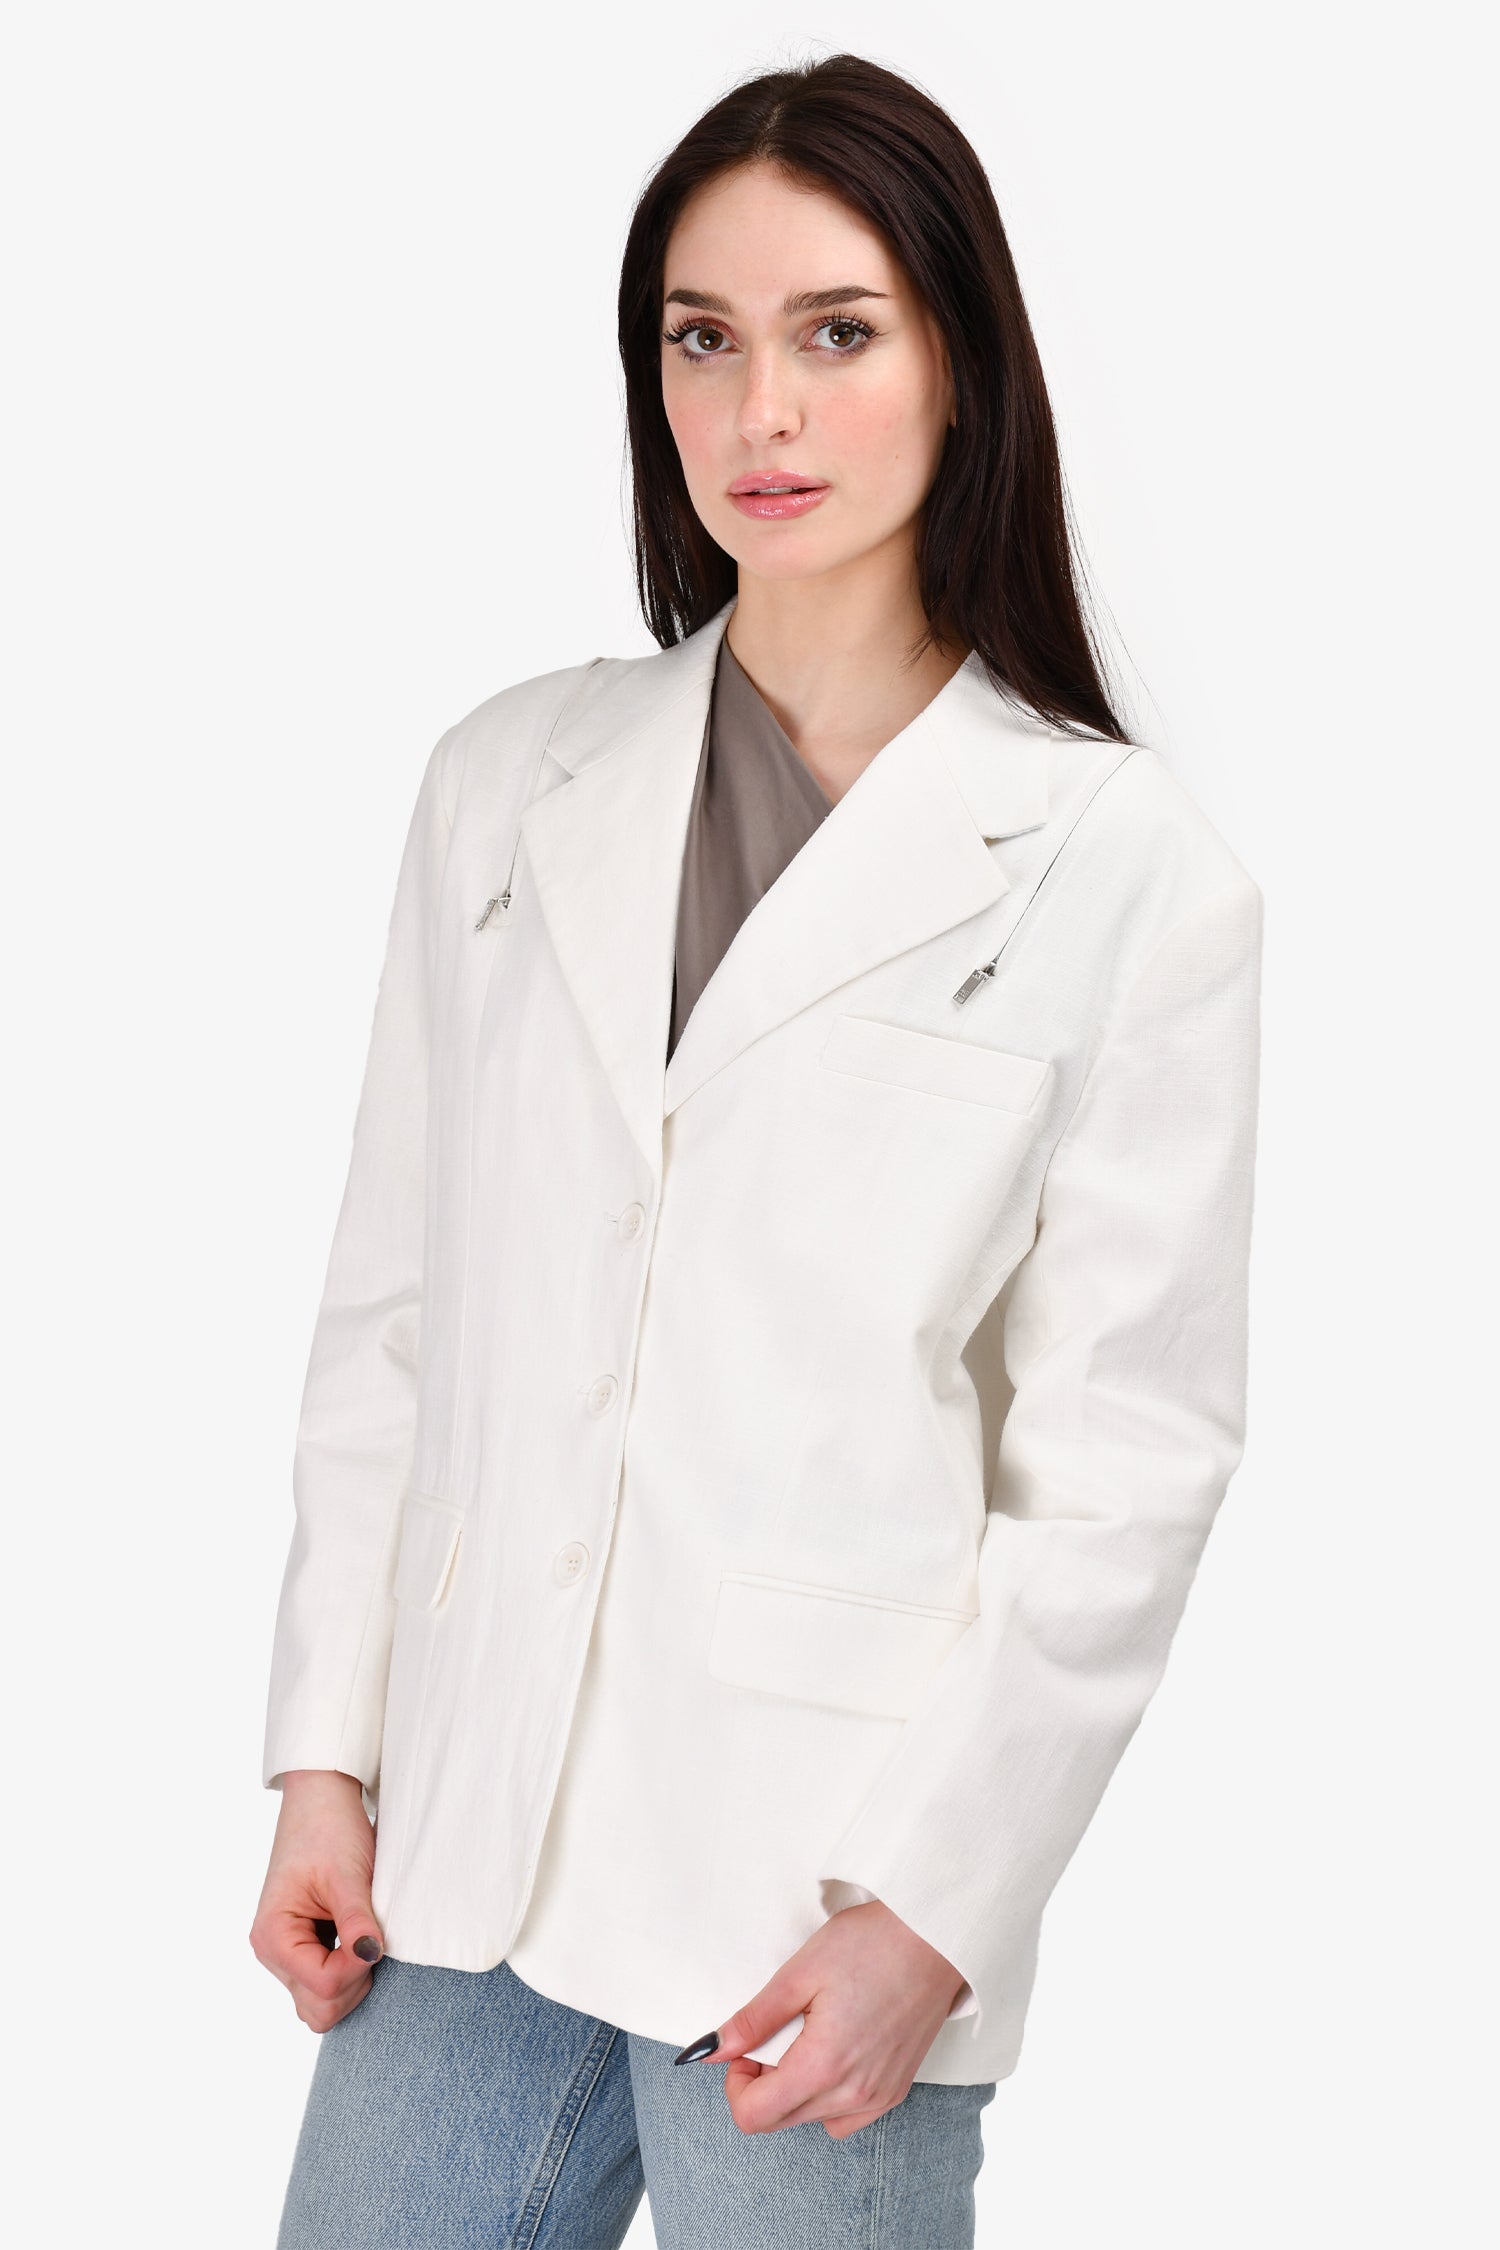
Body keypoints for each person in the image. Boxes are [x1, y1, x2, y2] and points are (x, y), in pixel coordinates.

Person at [252, 50, 1264, 2250]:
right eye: (702, 339)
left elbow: (1125, 1465)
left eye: (837, 333)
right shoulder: (506, 782)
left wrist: (940, 1912)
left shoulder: (1122, 872)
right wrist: (324, 1753)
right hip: (464, 1846)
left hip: (815, 1897)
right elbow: (393, 1317)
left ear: (962, 364)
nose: (761, 411)